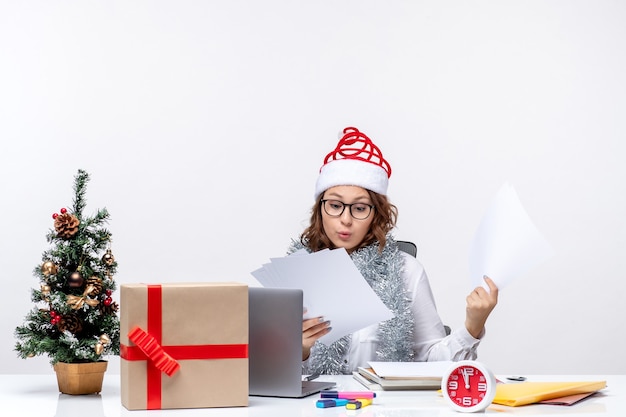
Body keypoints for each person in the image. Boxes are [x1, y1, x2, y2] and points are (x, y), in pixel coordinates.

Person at [291, 127, 498, 375]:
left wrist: (473, 325)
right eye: (335, 205)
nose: (345, 219)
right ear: (320, 209)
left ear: (376, 214)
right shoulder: (295, 272)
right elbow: (269, 372)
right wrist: (299, 350)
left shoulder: (407, 271)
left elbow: (434, 363)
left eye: (359, 208)